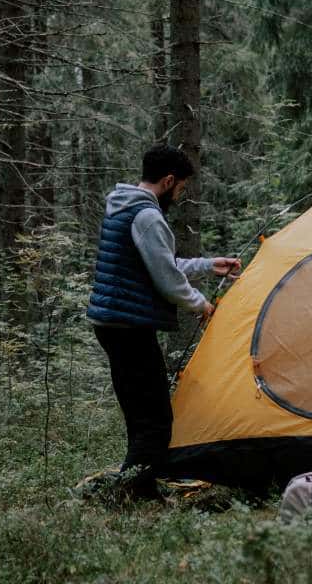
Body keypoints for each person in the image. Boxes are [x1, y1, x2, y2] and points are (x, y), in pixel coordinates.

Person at [86, 144, 241, 499]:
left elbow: (156, 266)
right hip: (128, 327)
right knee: (156, 418)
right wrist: (201, 304)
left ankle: (137, 485)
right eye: (181, 188)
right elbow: (167, 280)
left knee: (140, 413)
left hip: (113, 323)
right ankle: (132, 493)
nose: (180, 195)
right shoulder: (148, 217)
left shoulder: (124, 206)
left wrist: (207, 264)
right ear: (169, 180)